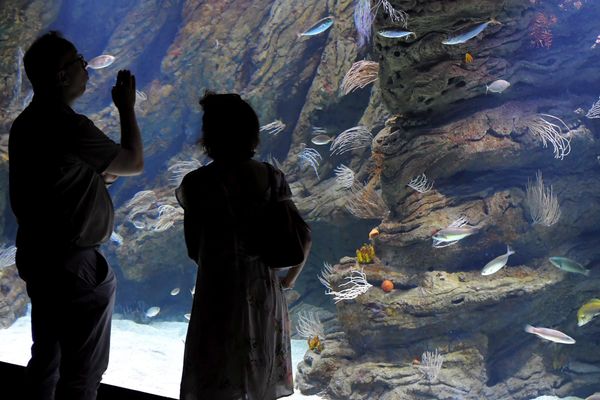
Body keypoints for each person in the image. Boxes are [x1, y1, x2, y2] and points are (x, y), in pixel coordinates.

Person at [8, 31, 143, 400]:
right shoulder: (68, 125)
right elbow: (133, 162)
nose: (86, 67)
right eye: (78, 61)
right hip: (74, 265)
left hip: (40, 256)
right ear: (61, 75)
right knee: (82, 372)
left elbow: (64, 178)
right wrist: (126, 108)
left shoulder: (25, 125)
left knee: (47, 359)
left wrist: (96, 173)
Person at [176, 92, 311, 400]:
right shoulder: (271, 177)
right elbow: (303, 237)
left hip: (216, 292)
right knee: (257, 376)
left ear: (208, 137)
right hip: (262, 293)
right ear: (252, 133)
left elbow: (193, 248)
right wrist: (287, 280)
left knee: (215, 378)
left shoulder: (195, 184)